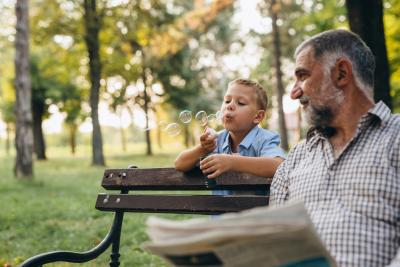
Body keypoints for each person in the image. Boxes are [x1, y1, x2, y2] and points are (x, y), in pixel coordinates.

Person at [270, 29, 400, 267]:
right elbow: (274, 244)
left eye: (303, 76)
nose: (294, 92)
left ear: (341, 73)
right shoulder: (297, 158)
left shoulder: (396, 137)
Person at [175, 78, 285, 195]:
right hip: (222, 212)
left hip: (253, 212)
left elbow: (279, 165)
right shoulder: (217, 140)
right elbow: (179, 164)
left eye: (241, 103)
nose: (230, 106)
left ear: (258, 117)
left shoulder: (264, 139)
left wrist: (232, 162)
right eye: (227, 101)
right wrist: (202, 149)